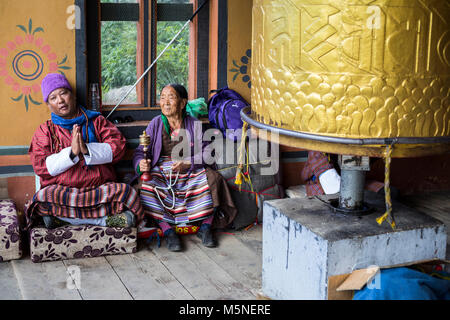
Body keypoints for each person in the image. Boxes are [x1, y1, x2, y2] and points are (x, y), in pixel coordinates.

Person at [25, 73, 144, 230]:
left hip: (100, 189)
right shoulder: (45, 130)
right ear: (48, 105)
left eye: (63, 93)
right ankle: (105, 221)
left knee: (125, 192)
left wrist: (87, 149)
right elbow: (40, 167)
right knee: (44, 197)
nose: (60, 100)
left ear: (72, 95)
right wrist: (72, 153)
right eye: (53, 98)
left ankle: (64, 220)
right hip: (64, 193)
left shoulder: (96, 121)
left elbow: (119, 146)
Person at [133, 84, 237, 252]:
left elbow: (207, 152)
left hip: (189, 167)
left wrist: (188, 163)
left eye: (171, 97)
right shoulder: (155, 124)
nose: (166, 102)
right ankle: (168, 230)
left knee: (214, 179)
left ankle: (205, 228)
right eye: (162, 97)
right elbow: (140, 152)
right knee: (145, 185)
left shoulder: (193, 124)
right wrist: (141, 164)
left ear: (182, 103)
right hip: (161, 169)